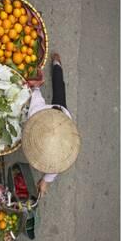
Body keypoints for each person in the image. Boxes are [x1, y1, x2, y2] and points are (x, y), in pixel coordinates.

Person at [23, 52, 81, 197]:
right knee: (59, 89)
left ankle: (57, 64)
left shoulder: (62, 150)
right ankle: (56, 64)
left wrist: (44, 182)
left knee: (60, 90)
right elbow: (35, 94)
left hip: (62, 115)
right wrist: (35, 87)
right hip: (58, 112)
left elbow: (54, 167)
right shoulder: (36, 112)